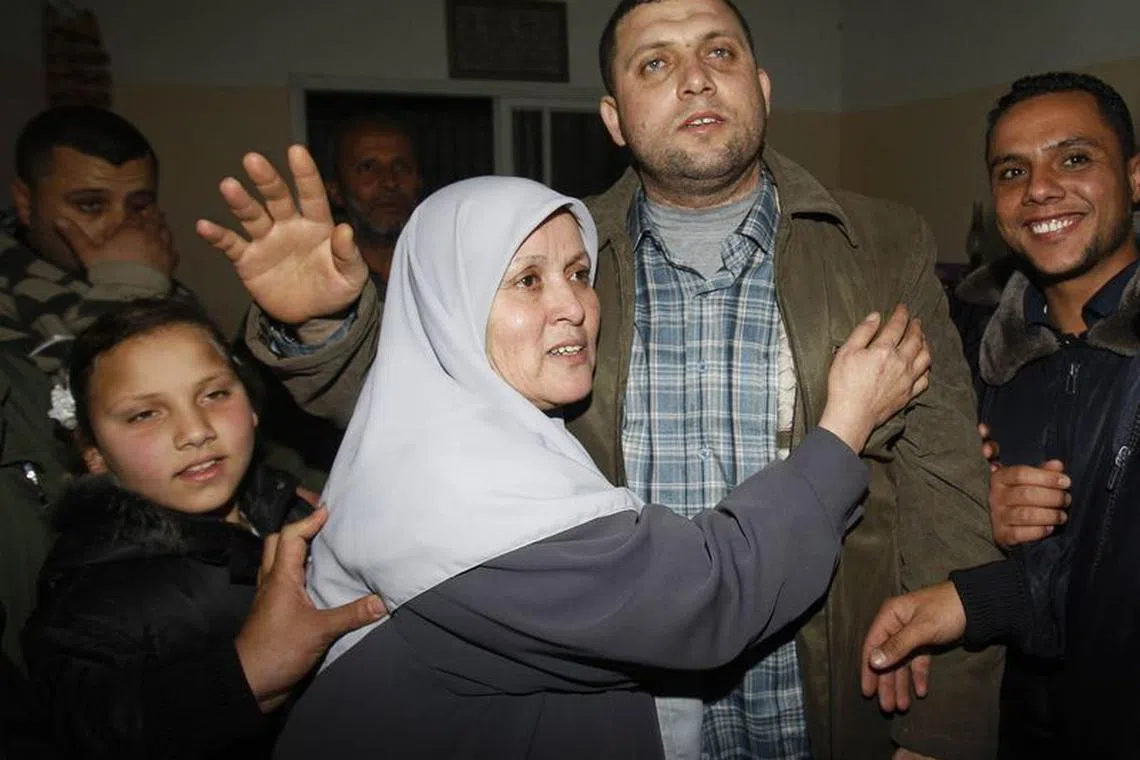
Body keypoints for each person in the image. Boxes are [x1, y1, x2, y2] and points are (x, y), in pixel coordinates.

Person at [202, 2, 1002, 757]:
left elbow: (945, 477)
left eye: (719, 52)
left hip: (835, 693)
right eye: (655, 63)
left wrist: (949, 723)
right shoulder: (554, 249)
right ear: (615, 118)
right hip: (618, 710)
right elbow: (419, 393)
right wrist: (320, 324)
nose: (695, 78)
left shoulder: (879, 241)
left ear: (760, 90)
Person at [20, 299, 384, 759]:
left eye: (214, 394)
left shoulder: (290, 506)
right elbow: (88, 727)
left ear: (251, 406)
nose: (194, 431)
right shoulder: (89, 601)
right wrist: (245, 674)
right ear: (92, 452)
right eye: (144, 414)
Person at [936, 72, 1140, 757]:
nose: (1040, 189)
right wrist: (976, 512)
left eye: (1074, 159)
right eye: (1012, 170)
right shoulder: (959, 346)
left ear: (1136, 178)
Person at [1, 106, 181, 377]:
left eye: (139, 206)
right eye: (90, 205)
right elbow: (57, 407)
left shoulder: (151, 271)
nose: (119, 227)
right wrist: (130, 286)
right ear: (26, 204)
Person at [324, 114, 422, 290]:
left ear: (419, 182)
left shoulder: (449, 273)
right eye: (368, 168)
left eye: (401, 167)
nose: (390, 182)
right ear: (335, 191)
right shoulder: (323, 282)